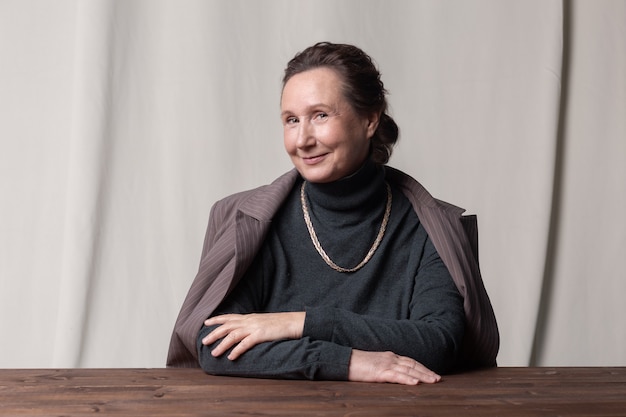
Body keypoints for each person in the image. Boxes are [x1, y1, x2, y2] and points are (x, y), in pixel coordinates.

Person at [167, 42, 499, 385]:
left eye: (320, 115)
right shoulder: (249, 221)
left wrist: (299, 323)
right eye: (291, 120)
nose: (302, 140)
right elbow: (216, 344)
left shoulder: (430, 223)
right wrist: (349, 362)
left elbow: (438, 343)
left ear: (370, 119)